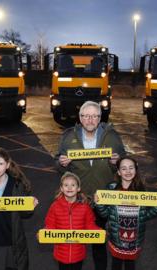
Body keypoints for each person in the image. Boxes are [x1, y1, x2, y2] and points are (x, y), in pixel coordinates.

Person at [55, 100, 126, 270]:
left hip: (102, 199)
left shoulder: (112, 136)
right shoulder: (68, 136)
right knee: (75, 242)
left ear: (100, 118)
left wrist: (117, 162)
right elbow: (57, 163)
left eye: (94, 116)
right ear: (80, 118)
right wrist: (62, 163)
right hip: (78, 199)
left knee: (99, 241)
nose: (90, 120)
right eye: (86, 116)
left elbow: (124, 162)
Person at [94, 156, 157, 270]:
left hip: (134, 240)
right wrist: (99, 204)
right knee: (115, 264)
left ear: (135, 171)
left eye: (131, 168)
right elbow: (105, 215)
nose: (128, 171)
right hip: (116, 238)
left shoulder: (142, 191)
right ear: (119, 172)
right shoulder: (111, 189)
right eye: (124, 168)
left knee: (130, 266)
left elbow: (145, 216)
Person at [44, 172, 101, 270]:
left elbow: (90, 225)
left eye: (73, 185)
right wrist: (43, 233)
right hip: (61, 252)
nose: (69, 188)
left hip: (78, 252)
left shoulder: (85, 207)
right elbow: (50, 225)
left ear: (78, 188)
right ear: (61, 188)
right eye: (66, 185)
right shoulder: (55, 206)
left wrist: (99, 233)